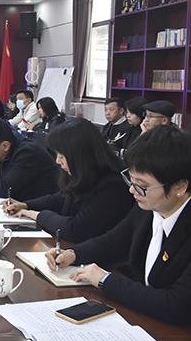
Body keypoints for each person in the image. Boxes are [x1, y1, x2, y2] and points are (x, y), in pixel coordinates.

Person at [46, 126, 191, 325]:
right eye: (131, 180)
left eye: (142, 186)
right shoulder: (149, 208)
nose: (132, 190)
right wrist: (73, 254)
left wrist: (105, 280)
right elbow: (114, 240)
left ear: (180, 187)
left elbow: (176, 305)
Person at [3, 119, 133, 242]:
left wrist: (34, 214)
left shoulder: (112, 186)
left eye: (61, 156)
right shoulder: (85, 173)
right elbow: (63, 197)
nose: (57, 161)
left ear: (79, 155)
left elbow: (75, 229)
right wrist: (26, 205)